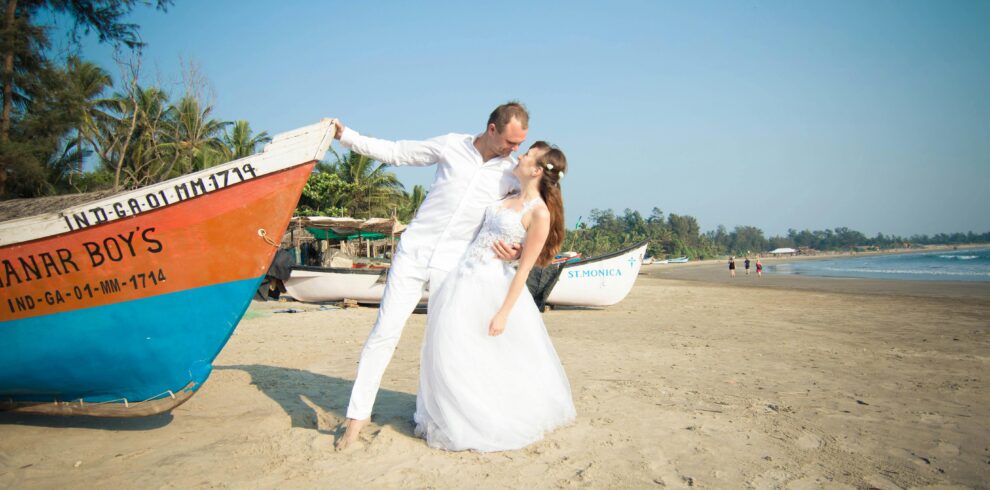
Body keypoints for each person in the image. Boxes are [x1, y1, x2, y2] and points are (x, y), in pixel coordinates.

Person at [333, 102, 529, 450]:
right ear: (492, 128)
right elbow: (396, 152)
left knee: (442, 345)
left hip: (455, 265)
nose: (515, 150)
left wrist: (517, 246)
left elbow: (530, 213)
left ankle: (433, 418)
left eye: (520, 144)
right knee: (384, 334)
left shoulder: (512, 173)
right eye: (510, 142)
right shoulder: (451, 145)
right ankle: (356, 418)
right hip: (413, 253)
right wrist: (345, 136)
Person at [415, 141, 575, 451]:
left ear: (537, 170)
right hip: (462, 277)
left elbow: (524, 270)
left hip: (491, 287)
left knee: (479, 353)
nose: (521, 155)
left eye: (527, 155)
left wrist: (503, 313)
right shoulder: (510, 191)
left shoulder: (539, 213)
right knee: (450, 347)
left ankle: (475, 417)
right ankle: (450, 413)